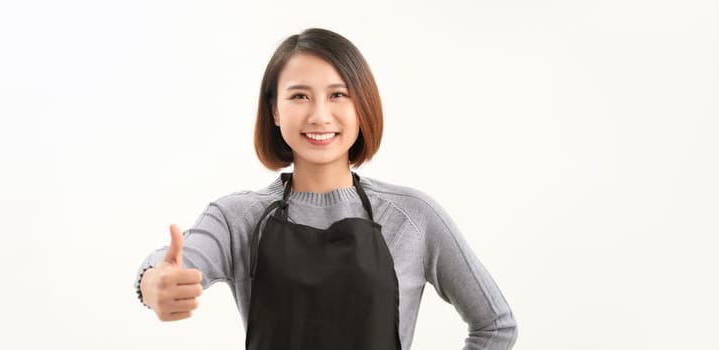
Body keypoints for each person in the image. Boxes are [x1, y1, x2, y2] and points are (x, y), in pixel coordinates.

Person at [134, 28, 517, 350]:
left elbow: (495, 325)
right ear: (275, 111)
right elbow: (176, 263)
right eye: (300, 96)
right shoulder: (239, 218)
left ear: (362, 106)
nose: (319, 115)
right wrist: (153, 282)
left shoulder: (412, 216)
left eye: (338, 95)